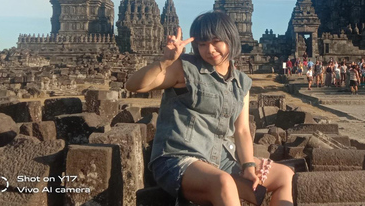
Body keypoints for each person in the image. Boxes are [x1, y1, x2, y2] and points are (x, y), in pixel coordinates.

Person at [125, 12, 294, 206]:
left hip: (221, 158)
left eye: (216, 42)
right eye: (202, 44)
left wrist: (248, 166)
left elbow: (242, 130)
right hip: (179, 158)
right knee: (224, 182)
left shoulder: (241, 82)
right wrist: (165, 61)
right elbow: (134, 86)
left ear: (230, 39)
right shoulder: (184, 68)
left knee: (285, 175)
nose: (210, 50)